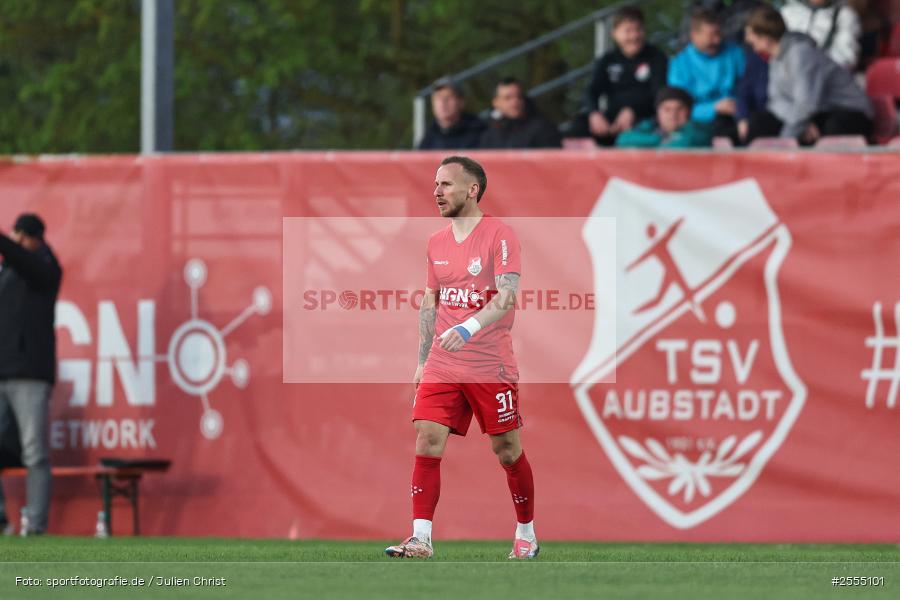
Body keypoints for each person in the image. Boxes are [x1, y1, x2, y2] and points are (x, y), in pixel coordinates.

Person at [385, 156, 537, 560]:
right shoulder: (435, 242)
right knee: (427, 438)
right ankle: (421, 539)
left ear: (472, 190)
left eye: (446, 184)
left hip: (490, 364)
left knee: (506, 449)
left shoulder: (500, 235)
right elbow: (431, 301)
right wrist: (422, 359)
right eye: (435, 184)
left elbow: (507, 296)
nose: (436, 191)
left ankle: (526, 533)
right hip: (443, 363)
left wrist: (467, 328)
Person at [0, 214, 63, 535]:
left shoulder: (45, 266)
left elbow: (25, 261)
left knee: (35, 453)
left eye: (19, 238)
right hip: (2, 373)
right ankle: (2, 522)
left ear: (34, 238)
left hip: (30, 376)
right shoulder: (8, 271)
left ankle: (35, 528)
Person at [744, 5, 873, 144]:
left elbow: (807, 104)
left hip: (851, 112)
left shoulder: (800, 53)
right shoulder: (775, 58)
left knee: (830, 129)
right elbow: (776, 101)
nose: (747, 39)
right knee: (760, 123)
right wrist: (799, 125)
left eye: (751, 35)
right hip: (818, 113)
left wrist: (785, 140)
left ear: (766, 38)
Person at [582, 6, 668, 145]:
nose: (634, 36)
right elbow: (591, 90)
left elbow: (659, 94)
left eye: (638, 29)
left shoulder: (657, 58)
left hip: (646, 118)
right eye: (628, 31)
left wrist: (632, 111)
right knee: (577, 128)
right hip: (611, 119)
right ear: (615, 33)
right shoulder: (607, 60)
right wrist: (594, 114)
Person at [668, 8, 746, 142]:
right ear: (694, 35)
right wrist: (714, 108)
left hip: (736, 117)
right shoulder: (680, 64)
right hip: (700, 123)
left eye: (719, 34)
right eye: (710, 36)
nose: (716, 40)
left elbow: (748, 88)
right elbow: (678, 107)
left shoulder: (735, 54)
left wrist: (739, 106)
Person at [616, 86, 714, 148]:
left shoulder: (699, 128)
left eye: (679, 109)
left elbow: (689, 142)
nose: (673, 114)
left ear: (689, 112)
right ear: (658, 113)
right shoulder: (650, 125)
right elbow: (623, 140)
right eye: (667, 109)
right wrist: (658, 140)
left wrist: (654, 146)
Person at [479, 78, 561, 148]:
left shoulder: (542, 128)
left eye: (519, 97)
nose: (515, 102)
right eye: (508, 98)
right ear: (496, 102)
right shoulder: (487, 130)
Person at [781, 0, 861, 69]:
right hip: (789, 75)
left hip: (826, 78)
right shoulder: (787, 13)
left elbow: (848, 58)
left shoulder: (845, 16)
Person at [418, 78, 486, 150]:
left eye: (448, 97)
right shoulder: (429, 137)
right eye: (438, 98)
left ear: (461, 102)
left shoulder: (479, 132)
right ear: (432, 104)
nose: (443, 102)